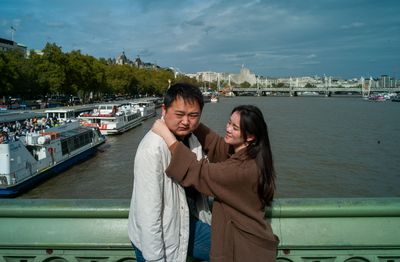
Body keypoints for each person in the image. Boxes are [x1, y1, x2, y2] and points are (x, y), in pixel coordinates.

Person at [152, 105, 279, 262]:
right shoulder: (250, 154)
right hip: (250, 242)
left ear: (250, 136)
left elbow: (198, 171)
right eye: (229, 122)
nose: (228, 128)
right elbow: (217, 145)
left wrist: (167, 136)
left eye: (235, 128)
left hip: (244, 249)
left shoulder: (242, 170)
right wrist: (191, 121)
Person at [127, 83, 212, 262]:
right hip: (161, 237)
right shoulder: (153, 149)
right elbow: (148, 213)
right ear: (164, 110)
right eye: (179, 114)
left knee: (232, 247)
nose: (186, 122)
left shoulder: (192, 139)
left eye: (193, 115)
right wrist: (155, 259)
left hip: (184, 223)